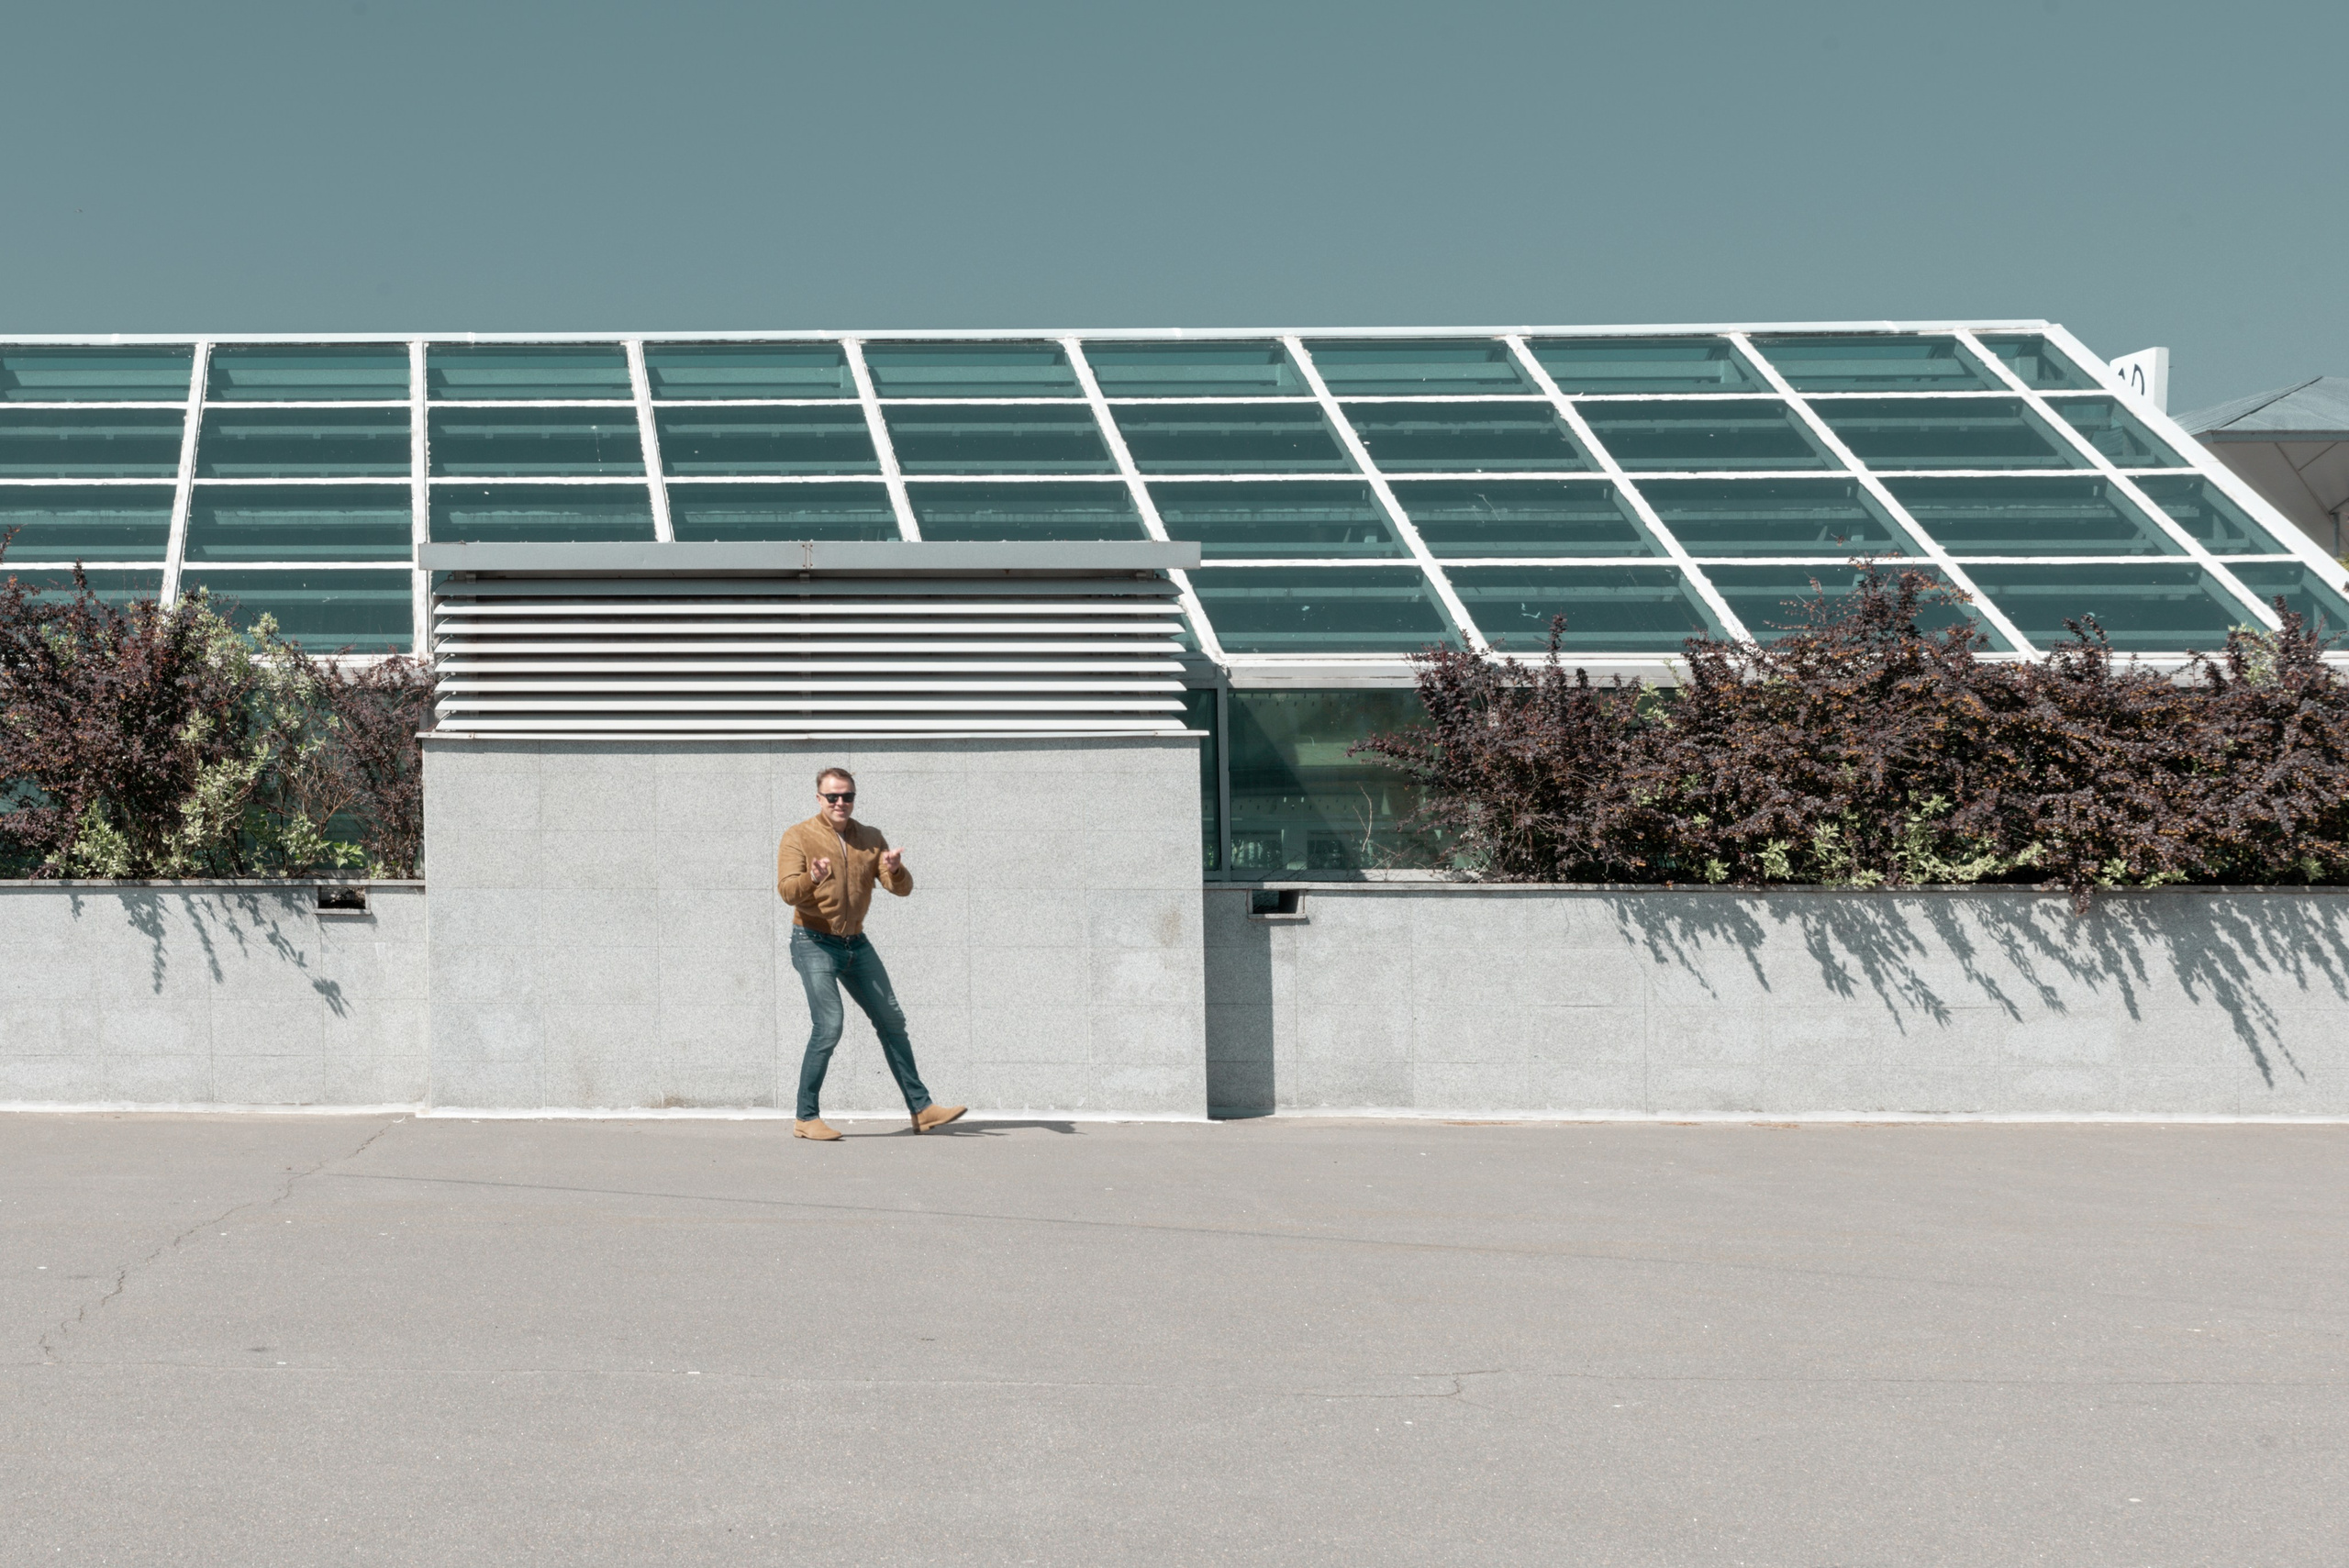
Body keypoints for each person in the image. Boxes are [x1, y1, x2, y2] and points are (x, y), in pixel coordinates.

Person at [775, 767, 964, 1140]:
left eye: (847, 796)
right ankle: (806, 1117)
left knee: (892, 1020)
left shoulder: (871, 838)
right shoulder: (798, 836)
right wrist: (813, 877)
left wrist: (895, 870)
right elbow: (787, 893)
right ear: (819, 799)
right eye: (833, 797)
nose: (840, 803)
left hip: (855, 943)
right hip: (813, 941)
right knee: (829, 1026)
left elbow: (901, 889)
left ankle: (922, 1109)